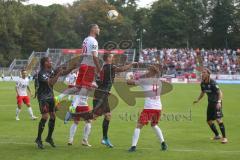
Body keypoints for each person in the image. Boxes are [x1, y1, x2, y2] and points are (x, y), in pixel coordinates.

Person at [93, 53, 138, 148]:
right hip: (102, 94)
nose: (113, 58)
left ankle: (104, 138)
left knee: (95, 116)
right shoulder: (109, 67)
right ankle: (104, 138)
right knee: (107, 115)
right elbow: (121, 69)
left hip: (100, 93)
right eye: (111, 56)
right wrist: (131, 64)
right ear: (108, 58)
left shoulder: (104, 67)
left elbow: (99, 80)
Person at [35, 57, 75, 149]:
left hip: (50, 97)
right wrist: (59, 73)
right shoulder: (41, 73)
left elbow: (63, 73)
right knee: (45, 116)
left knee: (53, 115)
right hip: (43, 97)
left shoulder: (51, 70)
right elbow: (51, 83)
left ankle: (49, 137)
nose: (51, 62)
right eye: (49, 61)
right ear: (45, 63)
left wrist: (71, 68)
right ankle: (38, 138)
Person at [127, 65, 168, 152]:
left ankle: (133, 146)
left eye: (148, 70)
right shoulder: (158, 81)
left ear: (151, 72)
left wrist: (129, 77)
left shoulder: (145, 81)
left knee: (138, 126)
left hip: (149, 108)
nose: (146, 72)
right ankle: (163, 143)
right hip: (158, 107)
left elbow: (129, 83)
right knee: (154, 125)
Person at [193, 68, 228, 144]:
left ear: (208, 74)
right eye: (202, 73)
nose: (202, 74)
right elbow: (203, 92)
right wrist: (198, 99)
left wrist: (219, 102)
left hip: (216, 103)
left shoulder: (213, 83)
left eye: (204, 72)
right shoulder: (202, 83)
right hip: (210, 104)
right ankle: (217, 135)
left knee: (218, 120)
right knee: (209, 121)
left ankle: (224, 138)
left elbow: (220, 93)